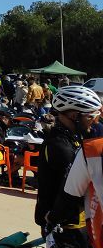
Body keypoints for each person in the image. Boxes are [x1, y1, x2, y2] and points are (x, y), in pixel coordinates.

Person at [35, 86, 102, 232]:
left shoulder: (75, 137)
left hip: (78, 220)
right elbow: (75, 190)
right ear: (74, 116)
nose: (95, 122)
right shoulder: (59, 146)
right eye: (91, 117)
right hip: (64, 226)